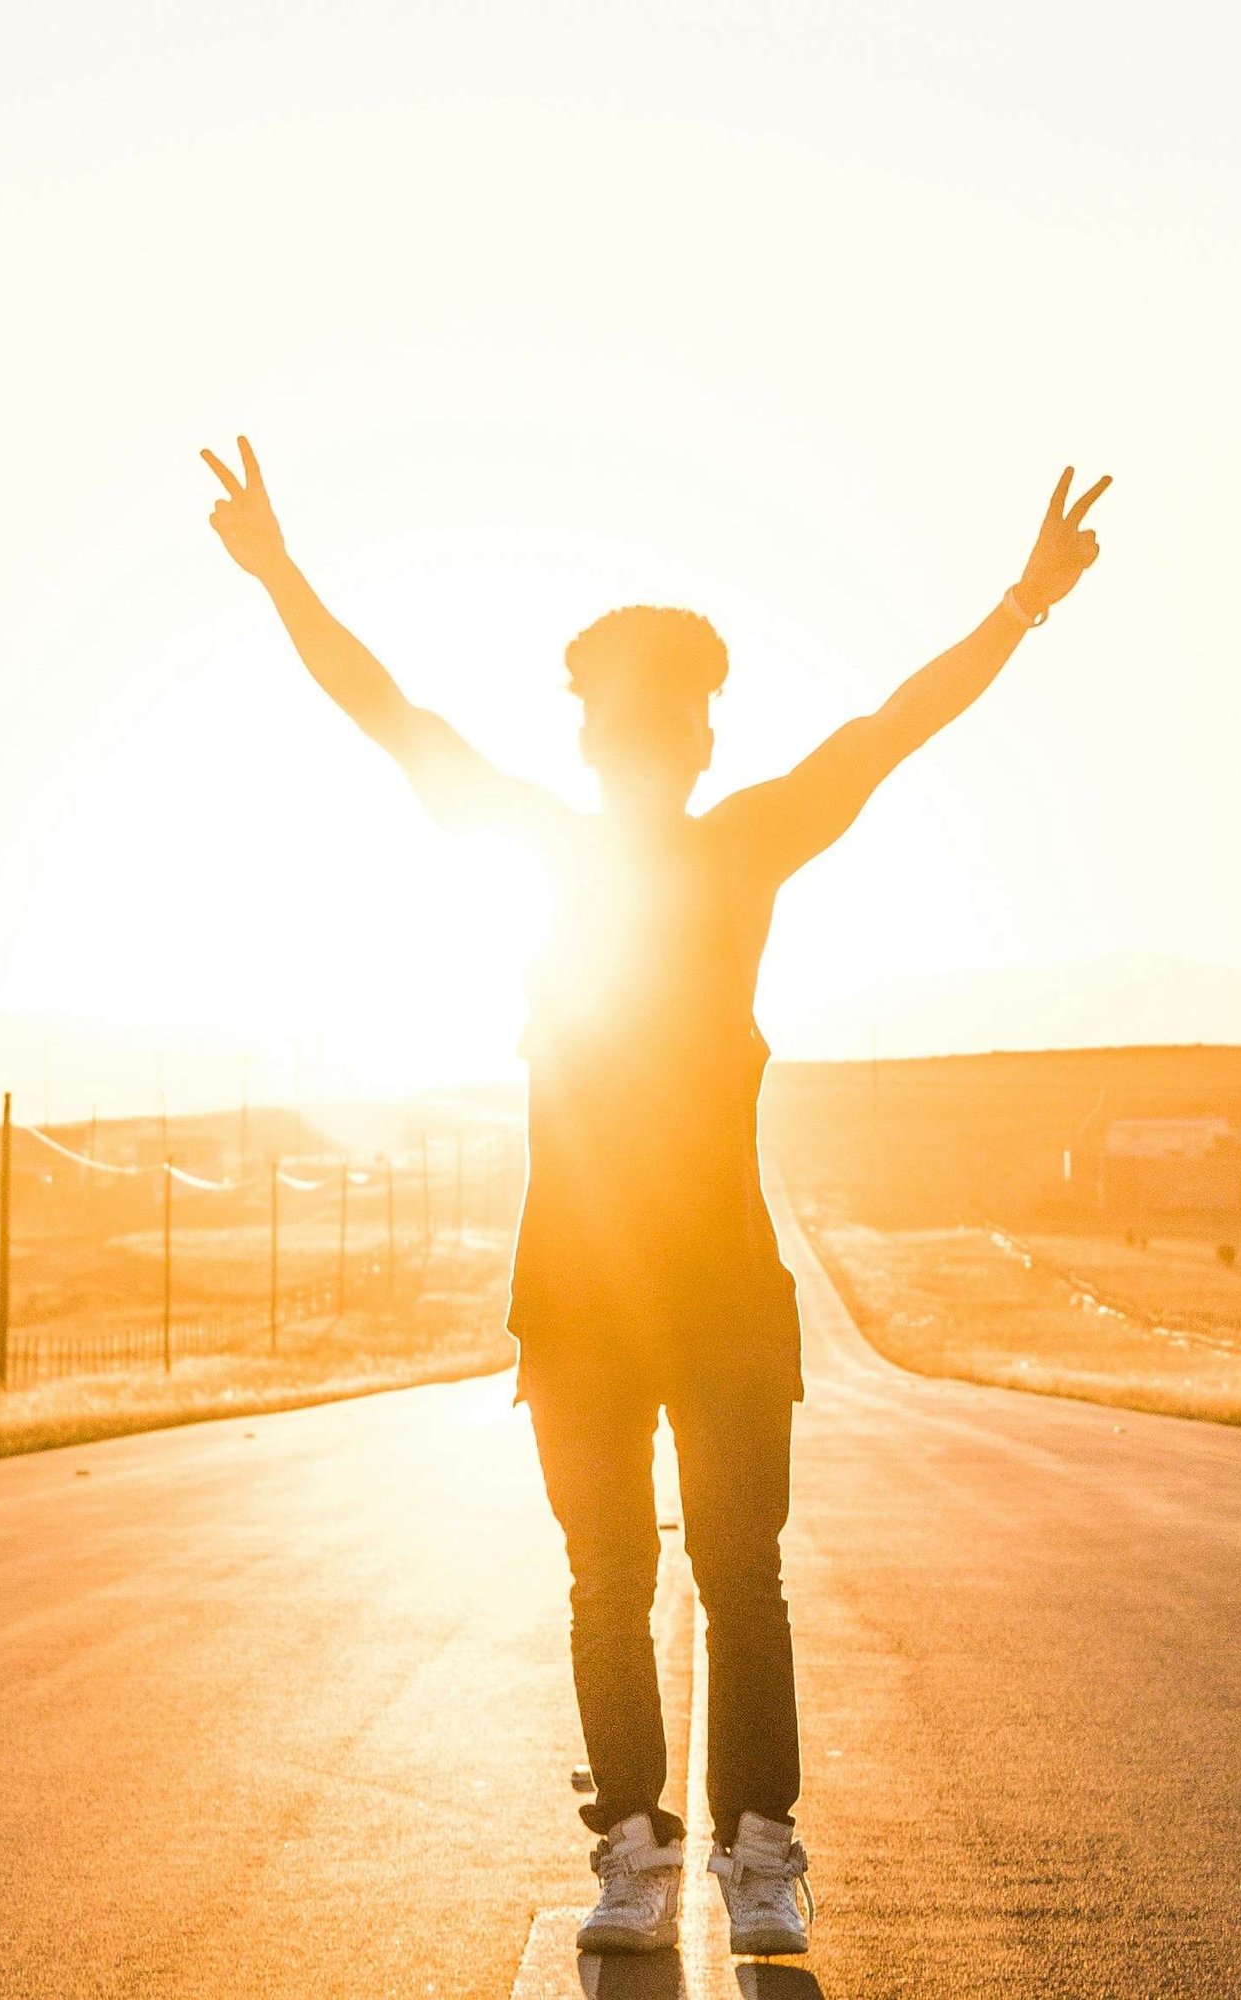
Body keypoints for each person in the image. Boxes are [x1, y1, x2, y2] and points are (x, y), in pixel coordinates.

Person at [201, 435, 1109, 1957]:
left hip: (721, 1296)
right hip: (577, 1294)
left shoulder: (738, 845)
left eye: (670, 714)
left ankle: (759, 1856)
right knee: (616, 1578)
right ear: (607, 739)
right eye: (628, 715)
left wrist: (1023, 603)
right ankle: (637, 1848)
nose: (650, 739)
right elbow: (388, 714)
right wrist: (282, 573)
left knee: (729, 1580)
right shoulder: (566, 853)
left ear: (697, 738)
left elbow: (892, 730)